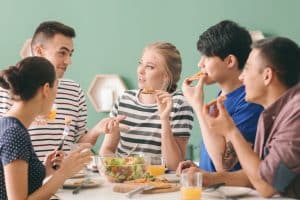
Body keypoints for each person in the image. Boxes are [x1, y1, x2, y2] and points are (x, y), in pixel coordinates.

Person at [178, 37, 300, 198]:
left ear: (267, 76)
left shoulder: (295, 116)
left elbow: (267, 185)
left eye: (247, 69)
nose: (242, 78)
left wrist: (230, 131)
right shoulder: (270, 114)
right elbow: (257, 173)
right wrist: (207, 177)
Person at [0, 21, 103, 161]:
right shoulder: (8, 90)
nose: (68, 61)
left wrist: (97, 130)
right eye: (62, 53)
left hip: (65, 179)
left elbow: (77, 144)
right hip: (26, 180)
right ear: (39, 51)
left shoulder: (74, 90)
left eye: (70, 54)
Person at [0, 56, 92, 200]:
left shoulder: (9, 125)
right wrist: (63, 174)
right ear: (46, 89)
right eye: (56, 87)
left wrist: (45, 170)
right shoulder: (15, 133)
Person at [181, 20, 263, 172]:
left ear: (230, 61)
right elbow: (215, 158)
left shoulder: (249, 103)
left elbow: (224, 167)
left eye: (207, 57)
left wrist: (198, 107)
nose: (200, 64)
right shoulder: (221, 97)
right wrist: (201, 169)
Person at [99, 42, 194, 170]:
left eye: (149, 67)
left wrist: (164, 119)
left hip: (161, 184)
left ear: (166, 76)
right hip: (124, 178)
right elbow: (107, 150)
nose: (140, 70)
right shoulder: (124, 99)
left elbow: (174, 165)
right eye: (140, 63)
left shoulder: (179, 104)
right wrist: (124, 168)